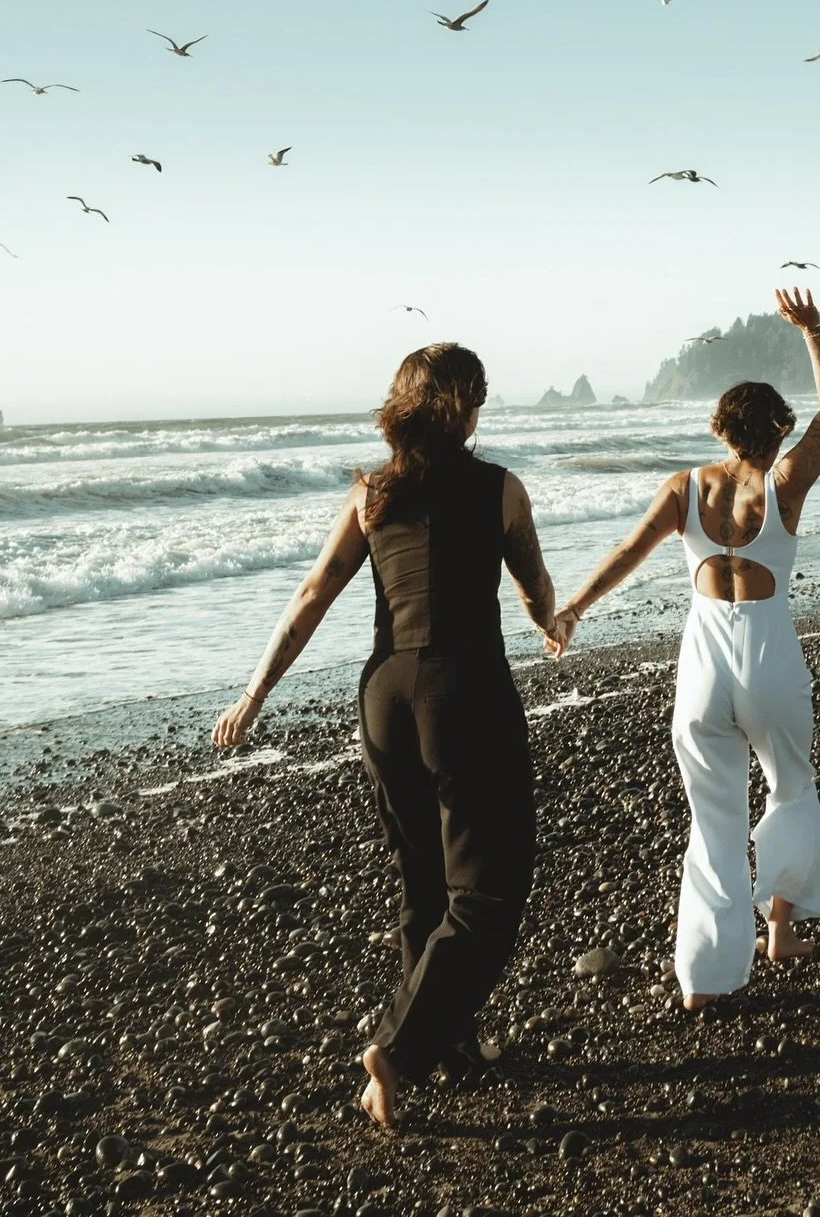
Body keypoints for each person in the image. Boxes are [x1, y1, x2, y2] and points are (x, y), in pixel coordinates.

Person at [212, 342, 565, 1127]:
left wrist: (254, 692)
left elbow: (314, 592)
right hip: (463, 693)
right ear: (467, 406)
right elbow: (533, 585)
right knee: (489, 890)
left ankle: (448, 1043)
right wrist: (553, 620)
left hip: (384, 697)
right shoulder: (502, 489)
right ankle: (398, 1049)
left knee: (425, 888)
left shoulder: (371, 494)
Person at [554, 287, 820, 1008]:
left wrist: (572, 610)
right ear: (775, 433)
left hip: (705, 664)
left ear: (721, 431)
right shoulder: (782, 483)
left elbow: (628, 551)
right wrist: (813, 333)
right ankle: (778, 929)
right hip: (770, 656)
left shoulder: (685, 488)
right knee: (790, 787)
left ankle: (705, 981)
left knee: (713, 817)